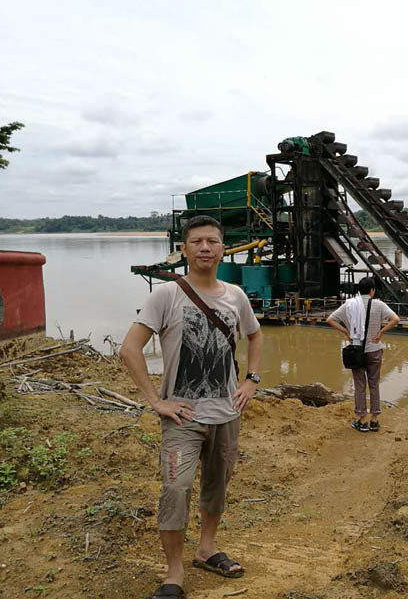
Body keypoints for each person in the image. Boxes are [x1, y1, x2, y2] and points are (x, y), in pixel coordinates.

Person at [120, 215, 262, 599]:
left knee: (217, 487)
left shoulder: (236, 295)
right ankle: (174, 573)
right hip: (182, 416)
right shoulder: (165, 295)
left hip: (227, 414)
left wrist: (252, 380)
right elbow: (129, 349)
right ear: (184, 249)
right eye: (196, 241)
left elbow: (255, 334)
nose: (205, 247)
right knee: (176, 489)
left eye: (212, 241)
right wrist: (156, 401)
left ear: (222, 248)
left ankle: (207, 548)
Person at [326, 276, 400, 432]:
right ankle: (374, 420)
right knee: (374, 384)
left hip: (356, 350)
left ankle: (362, 421)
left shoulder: (350, 305)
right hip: (374, 350)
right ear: (372, 291)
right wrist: (381, 332)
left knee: (359, 386)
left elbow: (330, 319)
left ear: (359, 290)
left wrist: (346, 331)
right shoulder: (379, 305)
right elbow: (395, 319)